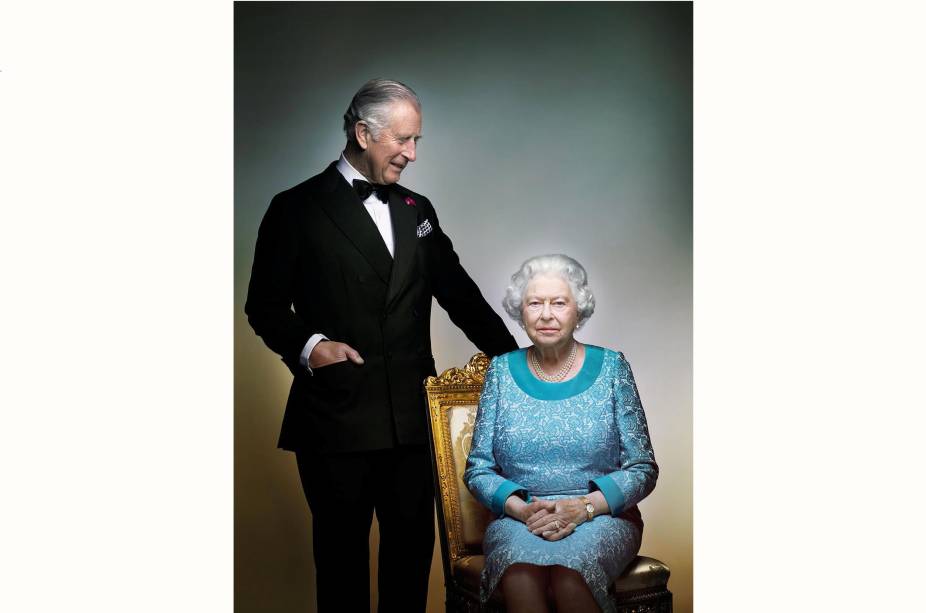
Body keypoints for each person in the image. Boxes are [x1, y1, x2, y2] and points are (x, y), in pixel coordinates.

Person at [245, 78, 518, 612]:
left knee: (411, 566)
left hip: (412, 423)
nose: (412, 154)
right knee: (342, 566)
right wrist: (311, 345)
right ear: (363, 132)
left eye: (417, 140)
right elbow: (265, 306)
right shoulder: (295, 207)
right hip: (335, 418)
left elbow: (460, 295)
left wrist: (515, 363)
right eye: (402, 140)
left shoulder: (418, 208)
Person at [463, 254, 658, 613]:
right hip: (520, 517)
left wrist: (584, 508)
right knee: (520, 569)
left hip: (601, 517)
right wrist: (523, 511)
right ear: (520, 312)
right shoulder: (501, 372)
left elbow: (643, 468)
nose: (546, 314)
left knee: (570, 573)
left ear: (578, 311)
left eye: (559, 303)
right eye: (534, 303)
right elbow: (477, 469)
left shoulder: (613, 368)